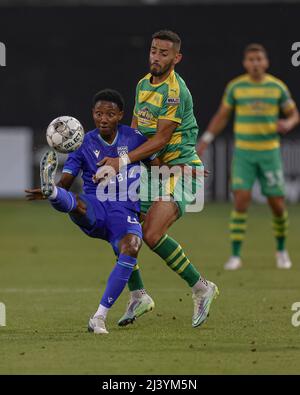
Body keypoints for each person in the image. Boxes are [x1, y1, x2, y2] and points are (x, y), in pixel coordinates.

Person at [96, 30, 219, 328]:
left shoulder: (175, 91)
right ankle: (138, 295)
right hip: (153, 168)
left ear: (176, 58)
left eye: (164, 53)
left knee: (150, 234)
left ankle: (202, 287)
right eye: (153, 50)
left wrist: (122, 160)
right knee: (121, 228)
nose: (156, 56)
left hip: (180, 169)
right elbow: (137, 132)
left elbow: (162, 138)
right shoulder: (142, 84)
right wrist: (124, 158)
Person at [25, 89, 156, 334]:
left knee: (131, 247)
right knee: (77, 203)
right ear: (92, 115)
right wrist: (52, 190)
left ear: (120, 115)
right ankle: (51, 192)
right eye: (98, 113)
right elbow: (66, 181)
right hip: (96, 205)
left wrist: (181, 171)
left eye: (109, 113)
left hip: (126, 210)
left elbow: (157, 165)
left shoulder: (134, 138)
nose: (103, 118)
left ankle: (99, 317)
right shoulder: (83, 143)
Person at [197, 43, 299, 270]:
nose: (255, 64)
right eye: (251, 60)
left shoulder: (277, 87)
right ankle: (235, 255)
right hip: (244, 152)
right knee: (241, 200)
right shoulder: (236, 87)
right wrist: (206, 139)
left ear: (266, 62)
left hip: (269, 153)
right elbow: (222, 116)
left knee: (278, 205)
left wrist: (288, 123)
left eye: (259, 59)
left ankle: (281, 251)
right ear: (245, 63)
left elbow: (293, 114)